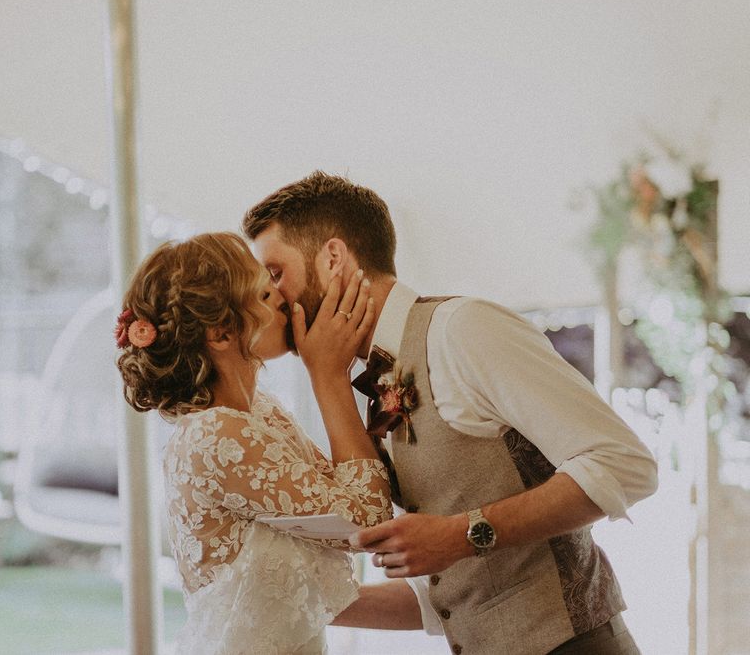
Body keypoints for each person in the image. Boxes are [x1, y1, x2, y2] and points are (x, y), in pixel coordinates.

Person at [243, 172, 659, 655]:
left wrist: (464, 534)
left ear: (333, 258)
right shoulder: (375, 377)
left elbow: (624, 463)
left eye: (275, 273)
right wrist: (301, 601)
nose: (270, 298)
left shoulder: (463, 329)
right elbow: (452, 597)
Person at [115, 232, 392, 654]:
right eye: (265, 293)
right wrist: (328, 376)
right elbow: (366, 520)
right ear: (222, 334)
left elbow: (347, 496)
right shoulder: (214, 435)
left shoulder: (262, 412)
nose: (284, 299)